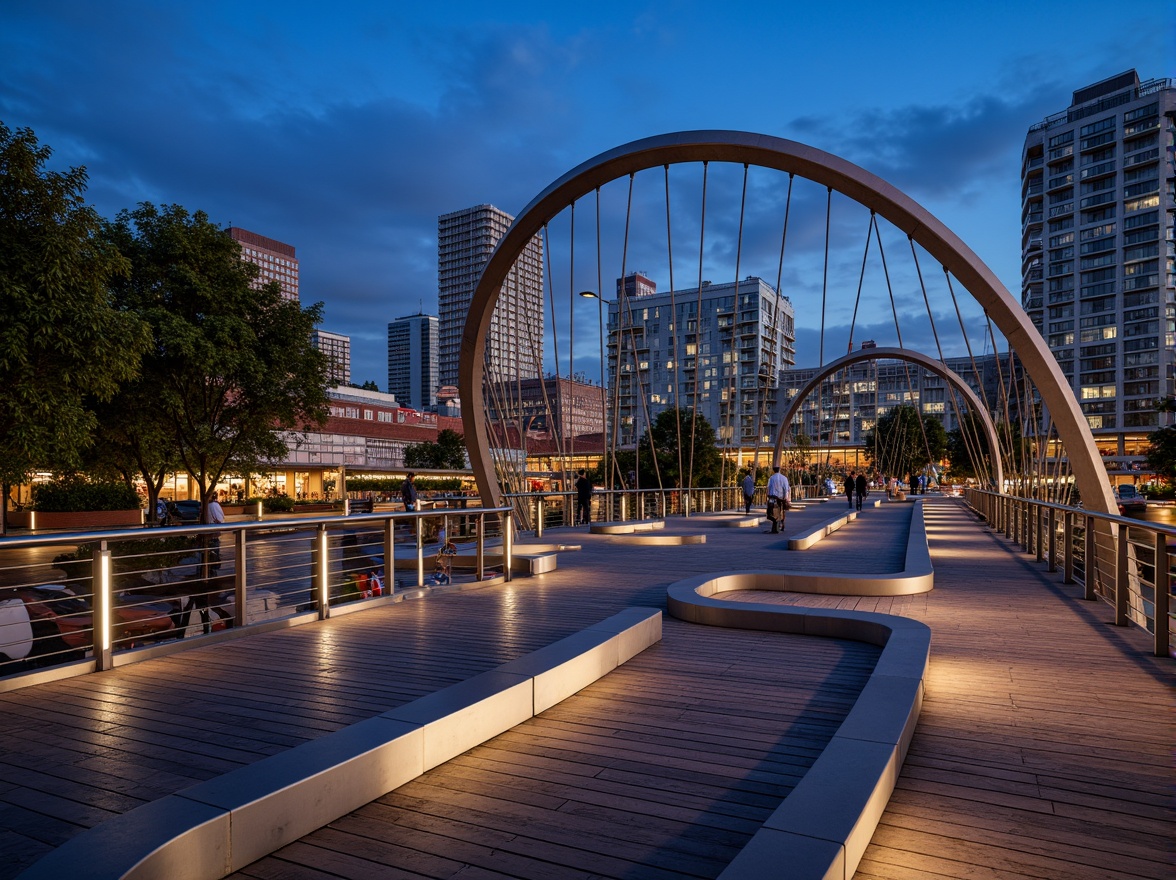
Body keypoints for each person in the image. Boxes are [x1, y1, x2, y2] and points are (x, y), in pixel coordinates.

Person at [765, 465, 790, 534]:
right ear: (779, 470)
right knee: (781, 511)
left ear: (773, 470)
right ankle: (780, 525)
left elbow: (768, 488)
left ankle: (777, 526)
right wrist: (786, 498)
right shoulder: (784, 478)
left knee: (773, 512)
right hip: (781, 498)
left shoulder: (771, 478)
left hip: (773, 498)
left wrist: (768, 496)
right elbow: (786, 489)